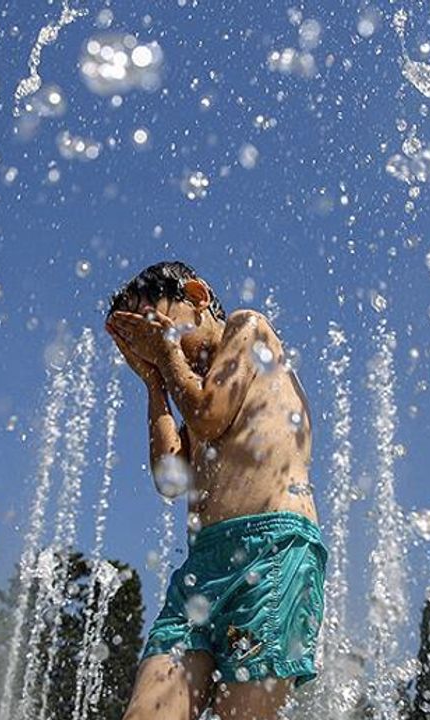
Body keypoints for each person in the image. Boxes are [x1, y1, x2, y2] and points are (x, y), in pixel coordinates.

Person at [104, 261, 325, 720]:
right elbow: (170, 478)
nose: (148, 342)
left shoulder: (249, 328)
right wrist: (154, 383)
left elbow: (208, 414)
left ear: (197, 296)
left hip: (272, 549)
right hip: (203, 563)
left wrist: (166, 357)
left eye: (153, 323)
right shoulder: (192, 385)